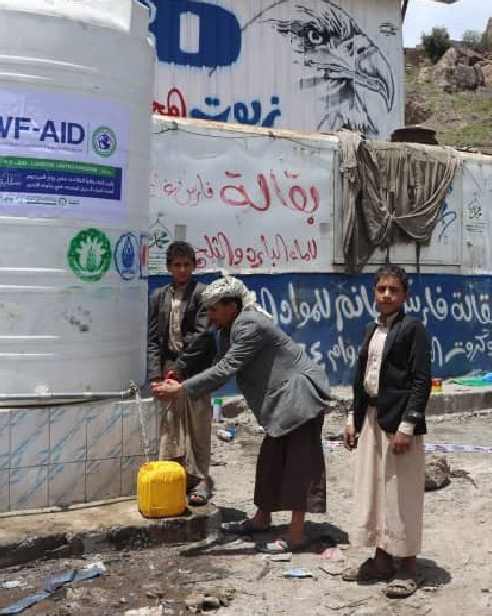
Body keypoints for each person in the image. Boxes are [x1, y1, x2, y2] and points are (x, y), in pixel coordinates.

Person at [152, 272, 332, 552]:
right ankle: (262, 519)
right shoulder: (229, 328)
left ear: (231, 306)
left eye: (214, 309)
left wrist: (181, 389)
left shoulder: (249, 324)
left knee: (299, 466)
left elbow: (226, 368)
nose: (210, 315)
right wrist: (182, 374)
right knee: (270, 462)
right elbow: (217, 361)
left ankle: (297, 532)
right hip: (279, 404)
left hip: (298, 399)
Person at [341, 265, 432, 599]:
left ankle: (408, 565)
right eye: (382, 289)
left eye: (394, 290)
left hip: (399, 424)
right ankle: (381, 559)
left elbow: (421, 381)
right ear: (374, 293)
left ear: (405, 295)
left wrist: (407, 425)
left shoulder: (414, 329)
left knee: (401, 493)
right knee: (375, 491)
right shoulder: (370, 330)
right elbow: (361, 378)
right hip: (372, 419)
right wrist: (353, 418)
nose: (387, 295)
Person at [147, 242, 216, 506]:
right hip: (169, 369)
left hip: (195, 369)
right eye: (177, 265)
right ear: (168, 267)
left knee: (198, 427)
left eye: (187, 264)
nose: (182, 269)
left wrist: (181, 367)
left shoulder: (202, 294)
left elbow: (203, 337)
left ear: (194, 265)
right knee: (171, 427)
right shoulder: (159, 296)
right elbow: (154, 340)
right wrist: (156, 374)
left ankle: (200, 480)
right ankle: (176, 477)